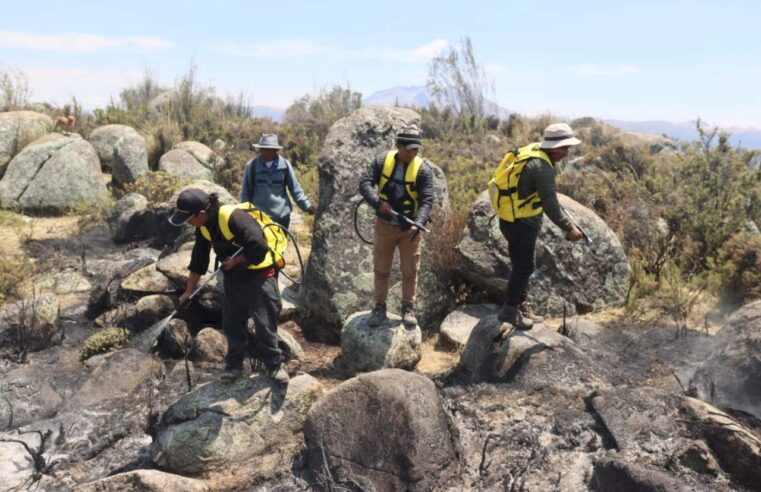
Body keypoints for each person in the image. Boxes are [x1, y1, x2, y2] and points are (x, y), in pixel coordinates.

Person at [169, 188, 289, 384]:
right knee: (232, 322)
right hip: (235, 277)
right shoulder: (204, 227)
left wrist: (236, 261)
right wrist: (189, 292)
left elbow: (259, 246)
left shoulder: (232, 217)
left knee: (264, 323)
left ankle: (275, 366)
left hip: (260, 273)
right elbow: (198, 261)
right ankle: (234, 367)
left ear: (201, 213)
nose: (188, 223)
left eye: (189, 219)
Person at [494, 123, 583, 330]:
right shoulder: (542, 167)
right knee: (523, 267)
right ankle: (510, 311)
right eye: (565, 147)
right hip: (522, 223)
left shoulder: (534, 152)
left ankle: (522, 305)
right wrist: (569, 228)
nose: (567, 152)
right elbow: (551, 206)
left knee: (524, 265)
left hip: (511, 219)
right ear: (555, 147)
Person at [359, 125, 435, 327]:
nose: (413, 152)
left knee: (410, 271)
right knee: (381, 269)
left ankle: (408, 308)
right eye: (409, 148)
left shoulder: (423, 170)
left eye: (416, 148)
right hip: (384, 225)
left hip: (409, 231)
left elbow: (427, 200)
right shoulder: (382, 161)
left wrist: (418, 223)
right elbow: (365, 183)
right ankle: (379, 308)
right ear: (398, 145)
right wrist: (378, 203)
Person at [240, 133, 315, 230]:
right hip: (259, 218)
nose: (265, 152)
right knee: (262, 245)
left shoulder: (285, 166)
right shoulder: (252, 166)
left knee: (280, 244)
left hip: (281, 218)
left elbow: (295, 189)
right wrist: (245, 213)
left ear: (275, 150)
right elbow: (245, 192)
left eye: (268, 150)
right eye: (262, 149)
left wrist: (307, 206)